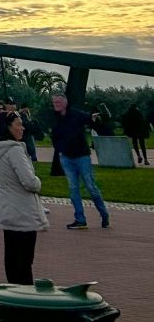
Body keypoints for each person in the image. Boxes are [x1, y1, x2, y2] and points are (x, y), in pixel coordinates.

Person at [0, 111, 48, 284]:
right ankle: (25, 295)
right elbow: (29, 182)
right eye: (18, 125)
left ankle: (14, 290)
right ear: (8, 127)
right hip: (22, 208)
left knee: (11, 256)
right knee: (24, 260)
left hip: (5, 205)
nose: (22, 128)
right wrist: (37, 182)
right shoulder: (14, 150)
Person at [50, 94, 109, 230]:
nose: (56, 104)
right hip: (66, 158)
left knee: (90, 186)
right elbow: (55, 135)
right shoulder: (56, 119)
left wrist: (96, 118)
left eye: (58, 102)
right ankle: (80, 219)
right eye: (54, 102)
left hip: (82, 156)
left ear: (65, 102)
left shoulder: (76, 114)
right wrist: (60, 150)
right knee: (73, 188)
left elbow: (90, 119)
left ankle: (104, 213)